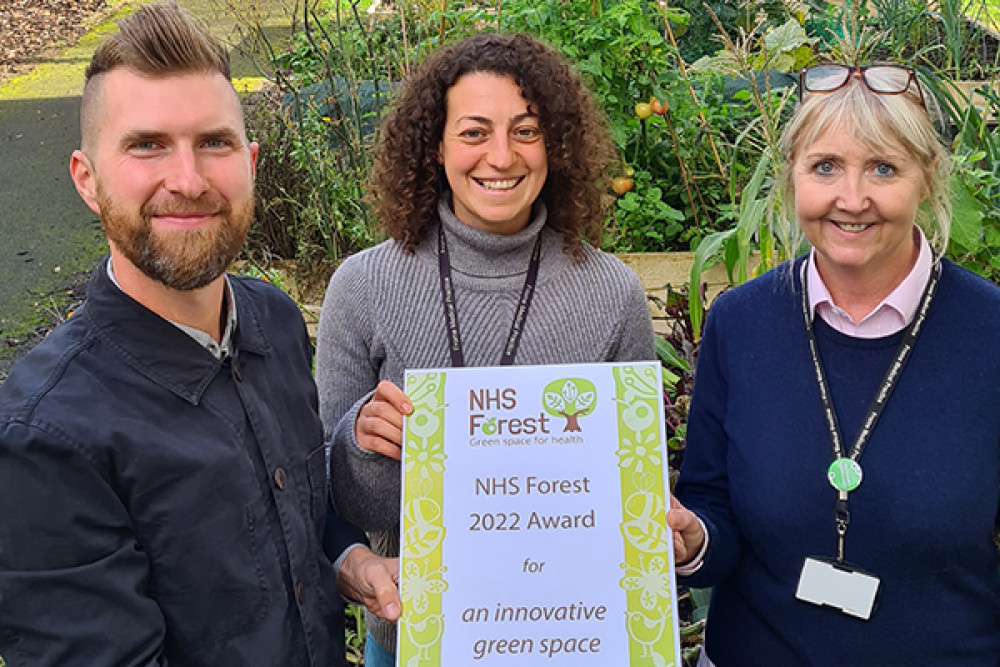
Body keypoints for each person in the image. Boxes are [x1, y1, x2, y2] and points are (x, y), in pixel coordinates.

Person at [0, 4, 400, 666]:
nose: (187, 180)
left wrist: (350, 559)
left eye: (213, 142)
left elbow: (302, 502)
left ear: (249, 161)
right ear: (86, 180)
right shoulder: (44, 438)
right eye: (146, 144)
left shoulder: (271, 319)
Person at [314, 32, 657, 665]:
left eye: (525, 131)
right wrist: (361, 442)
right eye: (474, 132)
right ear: (434, 145)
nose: (501, 156)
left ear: (555, 143)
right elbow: (332, 504)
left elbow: (633, 496)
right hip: (419, 637)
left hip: (573, 635)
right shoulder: (362, 288)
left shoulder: (612, 293)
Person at [667, 63, 1000, 665]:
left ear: (926, 179)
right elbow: (714, 514)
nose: (852, 199)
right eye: (825, 167)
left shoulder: (990, 332)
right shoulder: (740, 322)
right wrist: (694, 541)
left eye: (883, 168)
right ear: (791, 176)